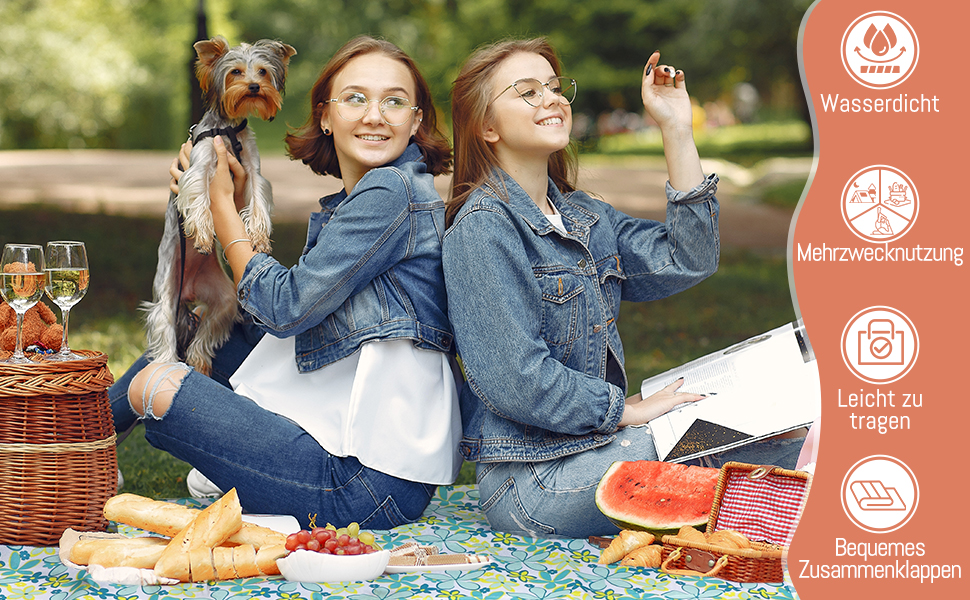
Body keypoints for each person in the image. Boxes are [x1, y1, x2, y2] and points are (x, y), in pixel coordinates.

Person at [442, 38, 805, 538]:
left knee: (780, 403)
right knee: (746, 432)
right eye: (526, 92)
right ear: (486, 126)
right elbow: (515, 379)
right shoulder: (482, 229)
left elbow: (688, 258)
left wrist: (676, 129)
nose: (551, 99)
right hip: (535, 481)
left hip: (596, 447)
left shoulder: (583, 215)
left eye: (553, 86)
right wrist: (624, 411)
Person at [108, 35, 461, 529]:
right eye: (355, 98)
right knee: (202, 333)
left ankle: (65, 450)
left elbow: (288, 307)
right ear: (325, 114)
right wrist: (222, 204)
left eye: (395, 101)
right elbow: (287, 318)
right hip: (374, 473)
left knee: (157, 383)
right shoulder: (362, 199)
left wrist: (224, 209)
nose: (375, 115)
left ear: (416, 119)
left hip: (362, 486)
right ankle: (72, 445)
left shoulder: (391, 191)